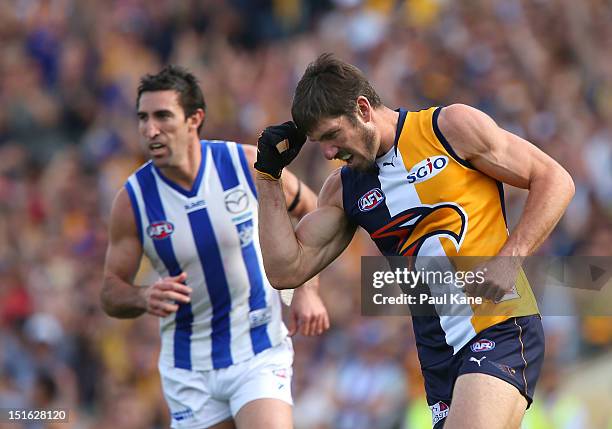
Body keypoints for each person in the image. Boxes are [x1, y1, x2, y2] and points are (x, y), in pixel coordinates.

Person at [253, 53, 575, 429]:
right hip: (437, 354)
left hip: (499, 325)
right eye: (318, 143)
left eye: (332, 135)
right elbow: (285, 269)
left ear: (362, 109)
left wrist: (510, 258)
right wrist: (267, 178)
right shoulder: (344, 189)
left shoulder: (448, 127)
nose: (327, 152)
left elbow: (554, 179)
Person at [100, 65, 330, 429]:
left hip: (259, 351)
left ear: (195, 119)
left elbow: (314, 211)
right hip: (189, 371)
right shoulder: (133, 200)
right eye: (142, 118)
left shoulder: (244, 163)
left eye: (163, 116)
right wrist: (142, 297)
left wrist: (306, 288)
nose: (150, 129)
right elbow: (111, 291)